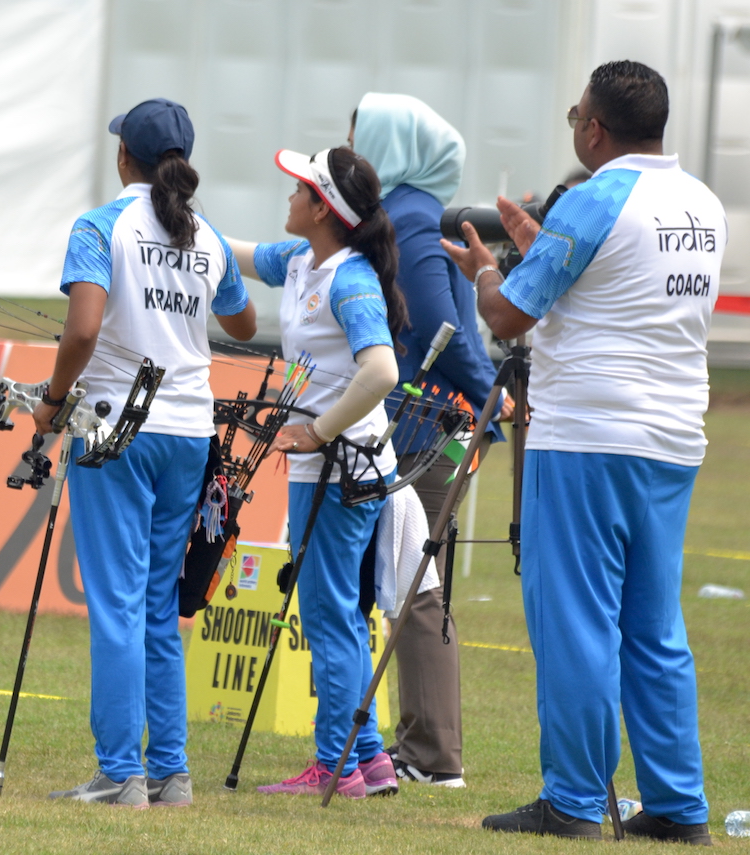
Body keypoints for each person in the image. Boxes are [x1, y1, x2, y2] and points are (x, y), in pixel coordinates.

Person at [441, 60, 724, 843]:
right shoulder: (702, 202)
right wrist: (541, 243)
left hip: (590, 437)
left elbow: (505, 314)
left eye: (575, 115)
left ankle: (572, 799)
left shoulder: (598, 195)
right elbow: (615, 281)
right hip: (671, 440)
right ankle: (675, 805)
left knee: (576, 622)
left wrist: (489, 265)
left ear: (594, 128)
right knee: (653, 624)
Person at [35, 98, 256, 808]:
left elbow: (82, 330)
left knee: (118, 603)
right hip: (188, 433)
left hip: (114, 429)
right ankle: (170, 771)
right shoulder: (206, 234)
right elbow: (244, 321)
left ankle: (118, 773)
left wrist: (49, 401)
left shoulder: (101, 226)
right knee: (159, 603)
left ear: (124, 156)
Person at [228, 146, 407, 799]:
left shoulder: (349, 279)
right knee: (338, 613)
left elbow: (382, 371)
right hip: (330, 469)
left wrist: (319, 428)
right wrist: (174, 222)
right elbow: (237, 253)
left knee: (329, 617)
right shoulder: (303, 258)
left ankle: (335, 765)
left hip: (341, 471)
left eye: (301, 187)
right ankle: (370, 757)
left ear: (324, 209)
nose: (290, 194)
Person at [350, 92, 509, 789]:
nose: (349, 148)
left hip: (425, 426)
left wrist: (490, 401)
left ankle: (432, 753)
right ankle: (425, 747)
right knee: (416, 581)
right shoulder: (412, 212)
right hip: (433, 423)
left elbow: (441, 328)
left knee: (415, 584)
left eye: (360, 136)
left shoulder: (409, 218)